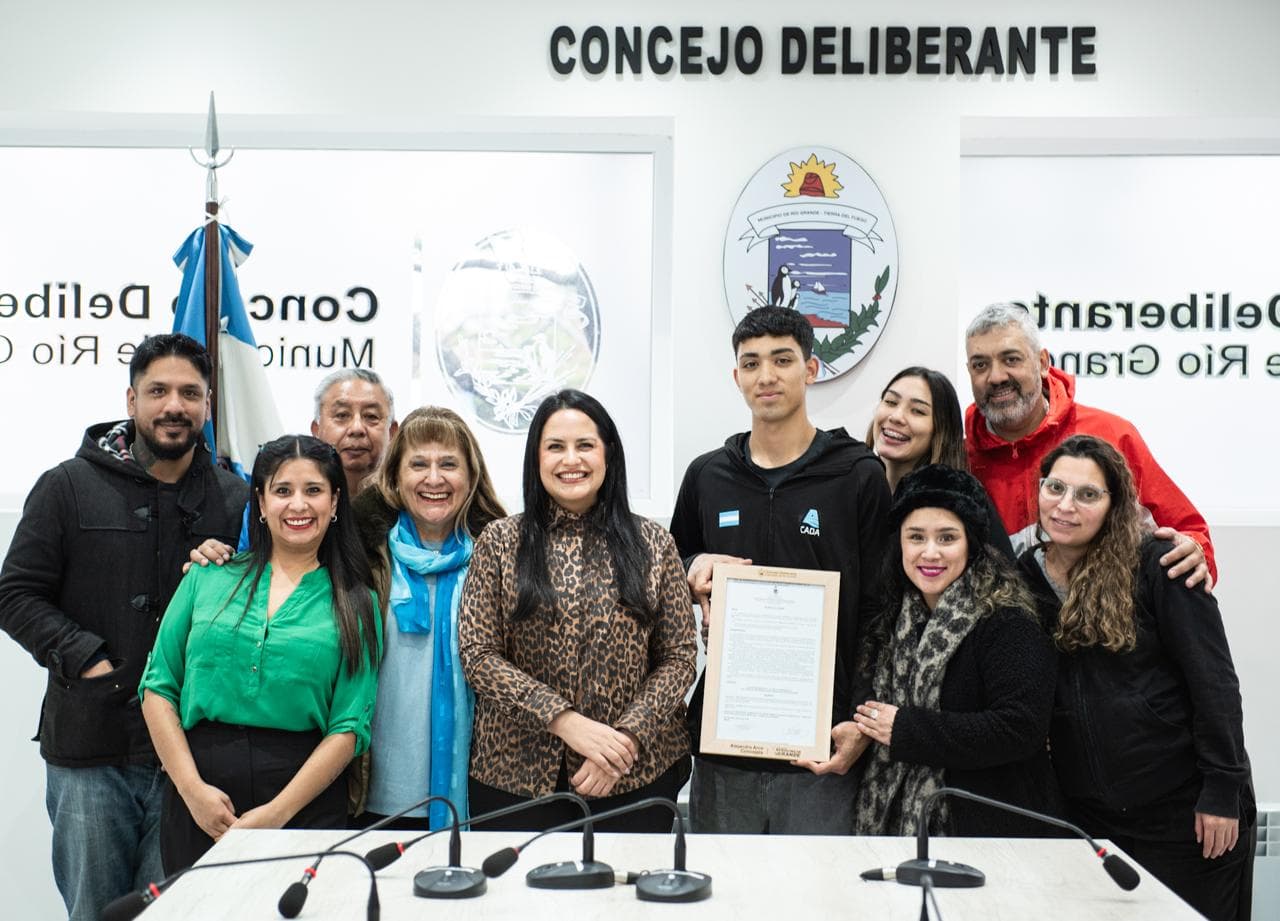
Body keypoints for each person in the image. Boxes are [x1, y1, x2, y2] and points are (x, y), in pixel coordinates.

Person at [0, 333, 248, 921]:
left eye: (190, 393)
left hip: (194, 759)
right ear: (131, 399)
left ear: (208, 405)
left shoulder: (236, 498)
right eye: (158, 391)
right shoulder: (66, 485)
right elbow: (15, 593)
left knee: (177, 914)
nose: (174, 406)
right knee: (96, 912)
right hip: (91, 749)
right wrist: (86, 655)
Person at [669, 305, 891, 834]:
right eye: (751, 364)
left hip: (821, 742)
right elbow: (667, 568)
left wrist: (858, 720)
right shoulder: (707, 475)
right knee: (720, 898)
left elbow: (882, 610)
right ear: (736, 376)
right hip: (726, 738)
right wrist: (693, 565)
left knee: (818, 900)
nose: (766, 376)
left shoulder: (858, 476)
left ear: (811, 369)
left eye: (782, 360)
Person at [1019, 435, 1253, 921]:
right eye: (1054, 487)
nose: (1065, 505)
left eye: (1087, 494)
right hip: (1095, 822)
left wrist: (1221, 791)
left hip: (1186, 816)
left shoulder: (1159, 563)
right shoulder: (1021, 577)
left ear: (1114, 504)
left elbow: (1214, 682)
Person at [139, 435, 381, 872]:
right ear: (261, 503)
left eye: (313, 491)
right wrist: (192, 791)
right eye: (283, 491)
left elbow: (349, 727)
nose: (298, 505)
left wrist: (277, 814)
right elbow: (157, 686)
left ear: (335, 502)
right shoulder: (207, 577)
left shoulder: (357, 602)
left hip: (303, 802)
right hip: (200, 796)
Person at [460, 389, 697, 832]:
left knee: (628, 898)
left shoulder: (653, 543)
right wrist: (565, 721)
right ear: (536, 458)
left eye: (585, 445)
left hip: (637, 773)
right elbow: (479, 656)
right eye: (555, 447)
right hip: (515, 776)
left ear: (609, 453)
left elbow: (680, 657)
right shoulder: (498, 541)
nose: (572, 460)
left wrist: (623, 741)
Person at [849, 465, 1059, 837]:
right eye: (916, 537)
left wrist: (906, 729)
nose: (930, 553)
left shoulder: (1006, 619)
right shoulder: (892, 617)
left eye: (947, 538)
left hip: (991, 834)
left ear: (971, 543)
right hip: (897, 825)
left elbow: (1020, 728)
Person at [963, 303, 1214, 586]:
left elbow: (1189, 532)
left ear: (1043, 362)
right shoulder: (960, 462)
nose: (996, 377)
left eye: (1011, 359)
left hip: (1114, 625)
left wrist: (1195, 550)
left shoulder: (1112, 435)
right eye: (980, 364)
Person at [349, 406, 506, 829]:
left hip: (478, 787)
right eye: (418, 464)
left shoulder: (503, 557)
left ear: (471, 477)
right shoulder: (359, 555)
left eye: (448, 464)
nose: (433, 478)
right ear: (396, 477)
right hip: (374, 787)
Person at [866, 365, 1013, 558]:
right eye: (891, 402)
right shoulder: (855, 488)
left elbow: (1006, 581)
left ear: (941, 429)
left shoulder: (966, 501)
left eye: (917, 411)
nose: (896, 417)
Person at [311, 368, 399, 497]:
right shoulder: (298, 507)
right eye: (342, 415)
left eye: (371, 416)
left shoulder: (412, 507)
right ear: (316, 430)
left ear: (392, 432)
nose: (357, 428)